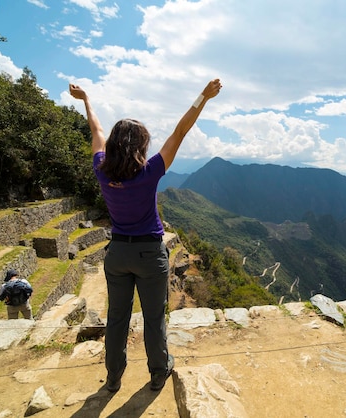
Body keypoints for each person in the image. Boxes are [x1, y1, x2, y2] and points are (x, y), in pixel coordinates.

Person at [69, 78, 222, 392]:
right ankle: (157, 372)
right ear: (141, 146)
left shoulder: (101, 167)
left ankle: (113, 377)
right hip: (150, 255)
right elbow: (180, 131)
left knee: (117, 318)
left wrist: (86, 100)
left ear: (113, 145)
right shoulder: (150, 170)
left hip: (117, 255)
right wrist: (202, 98)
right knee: (154, 318)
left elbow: (96, 131)